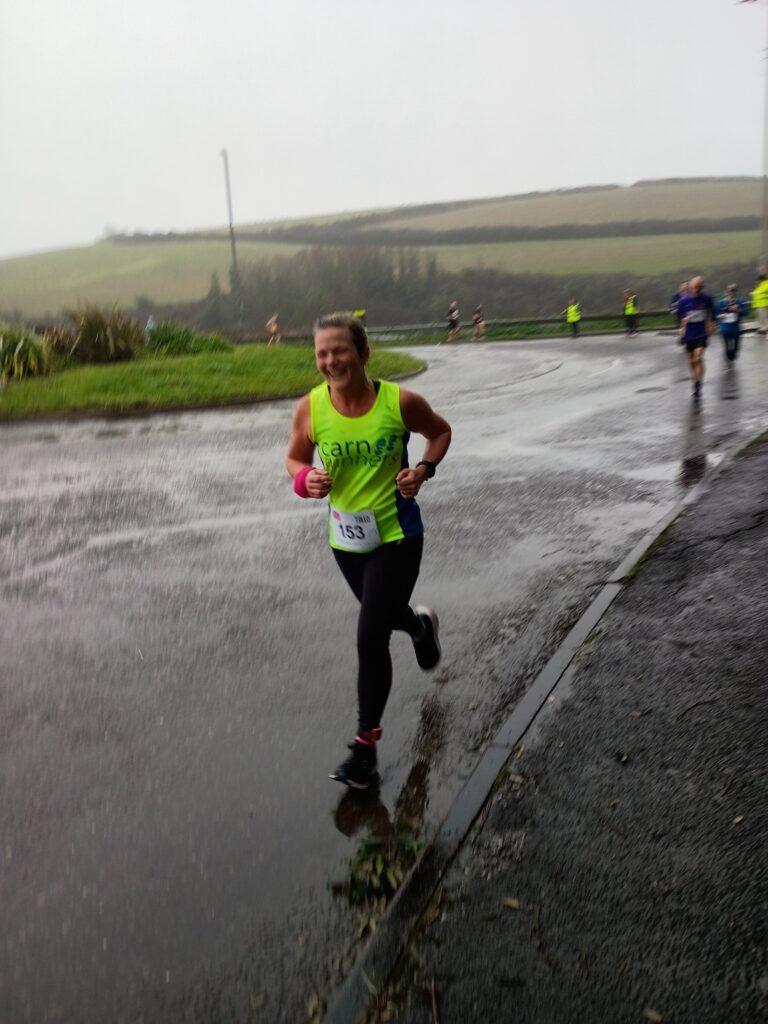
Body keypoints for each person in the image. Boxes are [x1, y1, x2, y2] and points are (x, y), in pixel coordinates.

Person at [285, 314, 452, 789]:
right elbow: (294, 456)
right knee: (382, 615)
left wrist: (422, 471)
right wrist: (304, 479)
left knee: (368, 637)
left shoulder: (399, 402)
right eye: (321, 353)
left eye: (339, 351)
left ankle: (365, 746)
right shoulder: (312, 409)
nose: (330, 361)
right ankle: (420, 626)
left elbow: (440, 432)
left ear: (362, 353)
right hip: (346, 540)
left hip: (398, 535)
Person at [677, 275, 715, 398]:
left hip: (701, 333)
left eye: (699, 287)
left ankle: (698, 383)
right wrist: (682, 328)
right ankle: (695, 378)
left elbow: (711, 312)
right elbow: (681, 318)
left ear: (702, 287)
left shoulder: (707, 299)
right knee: (691, 360)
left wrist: (711, 323)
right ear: (690, 287)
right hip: (689, 334)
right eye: (694, 287)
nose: (696, 289)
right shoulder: (683, 301)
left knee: (698, 358)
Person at [715, 284, 748, 364]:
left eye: (733, 290)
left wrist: (738, 310)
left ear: (735, 291)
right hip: (725, 327)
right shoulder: (721, 302)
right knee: (727, 347)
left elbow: (745, 312)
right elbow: (716, 315)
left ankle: (734, 351)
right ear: (727, 292)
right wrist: (721, 315)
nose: (731, 292)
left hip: (736, 327)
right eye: (730, 290)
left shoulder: (740, 301)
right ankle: (728, 352)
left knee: (736, 347)